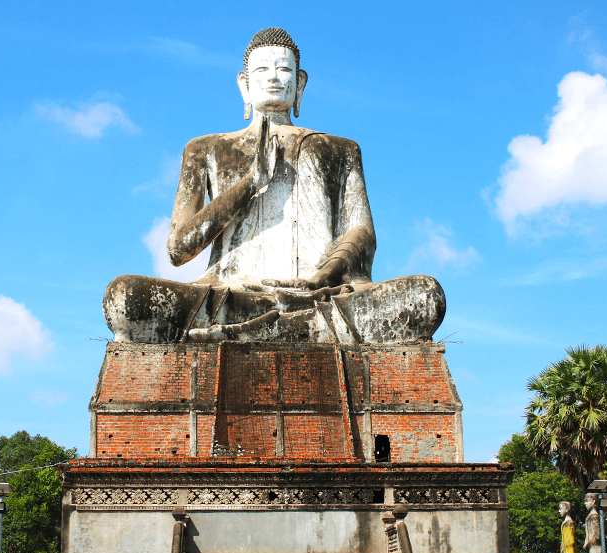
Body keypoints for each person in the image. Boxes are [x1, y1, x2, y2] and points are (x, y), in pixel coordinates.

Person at [103, 27, 445, 345]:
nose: (273, 78)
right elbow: (178, 249)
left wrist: (321, 279)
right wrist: (251, 182)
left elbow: (361, 234)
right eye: (262, 70)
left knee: (425, 295)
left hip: (318, 298)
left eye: (283, 70)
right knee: (122, 297)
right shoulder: (205, 149)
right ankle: (294, 330)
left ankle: (252, 332)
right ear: (244, 85)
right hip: (230, 297)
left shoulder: (340, 149)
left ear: (300, 83)